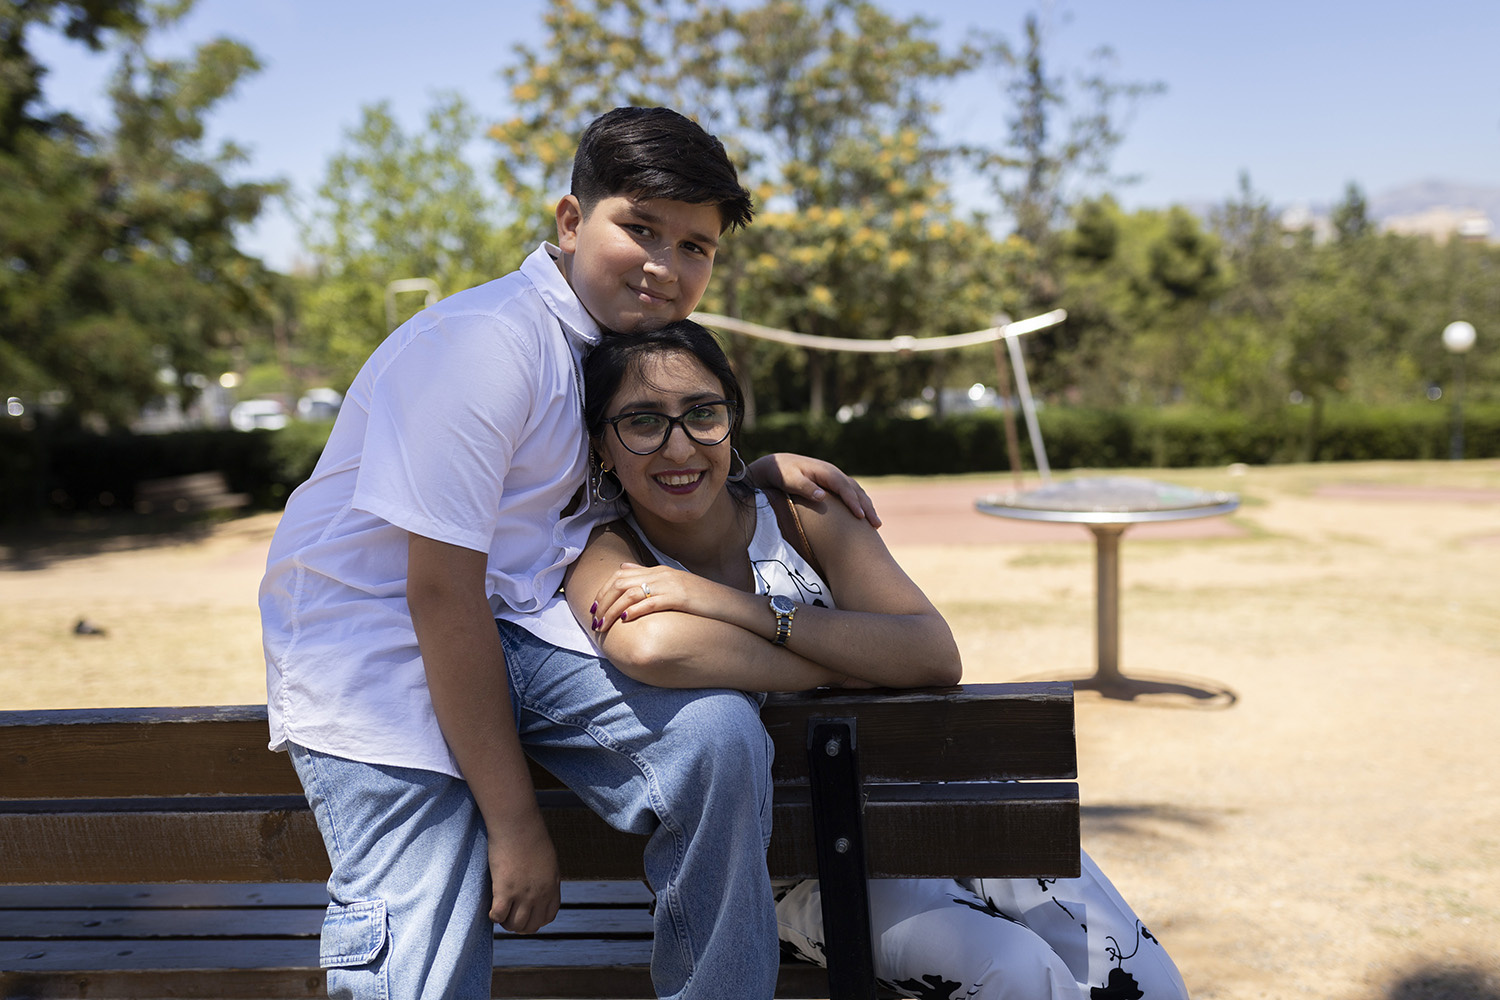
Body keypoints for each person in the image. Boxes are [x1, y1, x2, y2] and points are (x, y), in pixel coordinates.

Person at [259, 107, 874, 1000]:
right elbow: (437, 594)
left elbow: (642, 453)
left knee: (717, 738)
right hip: (376, 650)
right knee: (423, 938)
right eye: (642, 229)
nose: (667, 266)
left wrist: (753, 472)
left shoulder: (604, 350)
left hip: (514, 626)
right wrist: (514, 826)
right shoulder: (483, 348)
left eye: (695, 247)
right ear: (571, 221)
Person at [565, 320, 1192, 1000]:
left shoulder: (804, 513)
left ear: (732, 420)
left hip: (929, 816)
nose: (679, 444)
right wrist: (847, 660)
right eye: (643, 423)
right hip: (785, 878)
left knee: (1148, 982)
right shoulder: (606, 553)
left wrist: (729, 605)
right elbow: (650, 644)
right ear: (602, 443)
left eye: (703, 414)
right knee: (1014, 970)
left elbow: (930, 651)